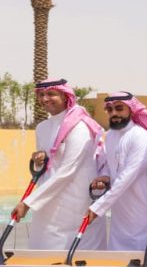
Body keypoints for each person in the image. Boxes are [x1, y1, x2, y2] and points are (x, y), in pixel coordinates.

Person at [14, 78, 105, 250]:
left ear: (64, 96)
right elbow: (47, 167)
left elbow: (67, 171)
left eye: (51, 94)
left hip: (75, 201)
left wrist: (27, 203)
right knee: (43, 250)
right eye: (41, 95)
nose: (45, 99)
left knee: (76, 253)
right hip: (47, 201)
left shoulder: (79, 127)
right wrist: (39, 159)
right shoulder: (42, 127)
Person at [88, 92, 147, 251]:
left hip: (141, 208)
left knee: (141, 257)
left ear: (131, 110)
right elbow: (110, 164)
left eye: (119, 108)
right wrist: (105, 176)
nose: (114, 113)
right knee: (117, 256)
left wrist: (99, 207)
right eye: (110, 110)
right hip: (119, 210)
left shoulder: (141, 137)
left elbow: (127, 176)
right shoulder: (110, 136)